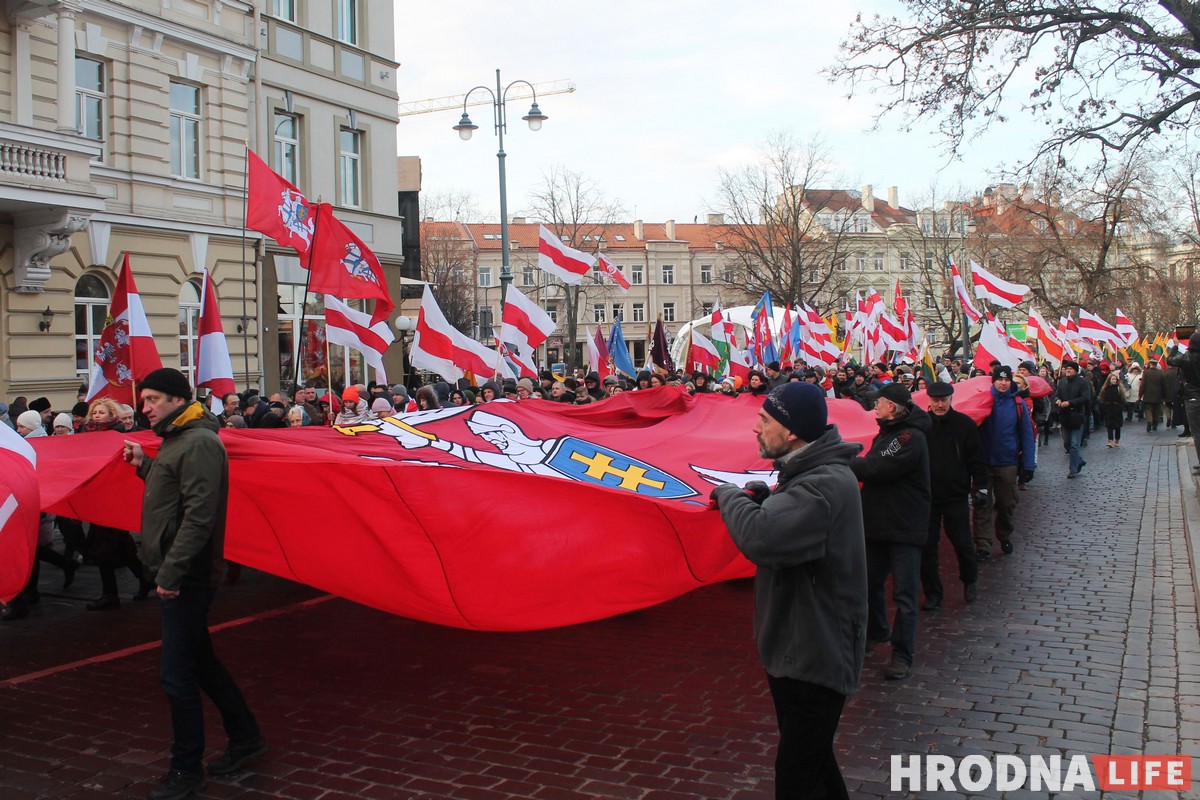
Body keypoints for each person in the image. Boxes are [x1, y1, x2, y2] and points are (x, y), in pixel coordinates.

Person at [710, 382, 866, 799]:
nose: (755, 429)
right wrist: (764, 496)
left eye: (765, 420)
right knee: (815, 765)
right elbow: (787, 519)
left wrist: (730, 497)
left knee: (797, 777)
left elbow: (764, 539)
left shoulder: (822, 484)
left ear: (793, 431)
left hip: (815, 655)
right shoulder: (808, 474)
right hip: (802, 647)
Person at [123, 368, 266, 800]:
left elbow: (199, 516)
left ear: (176, 399)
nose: (143, 408)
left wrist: (171, 573)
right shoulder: (177, 438)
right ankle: (245, 738)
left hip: (188, 576)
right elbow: (175, 495)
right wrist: (145, 466)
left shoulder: (199, 441)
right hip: (180, 572)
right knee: (201, 663)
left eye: (151, 399)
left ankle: (186, 769)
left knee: (176, 676)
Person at [851, 383, 931, 681]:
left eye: (879, 403)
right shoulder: (890, 432)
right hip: (879, 526)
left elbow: (875, 468)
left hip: (903, 529)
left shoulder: (909, 437)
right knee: (869, 584)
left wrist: (845, 459)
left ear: (893, 408)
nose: (875, 407)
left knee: (905, 595)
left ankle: (902, 654)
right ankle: (878, 631)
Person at [920, 382, 987, 609]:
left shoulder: (964, 425)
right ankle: (933, 593)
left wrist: (982, 487)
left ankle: (969, 580)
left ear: (951, 399)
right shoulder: (921, 426)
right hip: (926, 497)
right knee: (927, 547)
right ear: (928, 400)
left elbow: (976, 459)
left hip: (955, 496)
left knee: (962, 543)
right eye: (935, 400)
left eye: (944, 400)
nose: (939, 404)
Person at [975, 365, 1037, 560]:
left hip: (1007, 462)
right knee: (982, 504)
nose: (1003, 383)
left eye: (1006, 380)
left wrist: (1028, 465)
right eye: (999, 380)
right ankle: (983, 544)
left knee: (1006, 503)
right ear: (993, 381)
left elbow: (1027, 435)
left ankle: (1004, 534)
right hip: (983, 463)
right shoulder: (984, 401)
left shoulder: (1017, 404)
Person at [1055, 360, 1092, 480]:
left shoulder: (1083, 382)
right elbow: (1056, 395)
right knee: (1067, 443)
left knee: (1075, 445)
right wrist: (1058, 400)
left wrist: (1070, 402)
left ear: (1075, 370)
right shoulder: (1062, 382)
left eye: (1070, 368)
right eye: (1066, 368)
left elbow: (1085, 397)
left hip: (1077, 416)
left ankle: (1073, 470)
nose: (1067, 370)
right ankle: (1079, 460)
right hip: (1065, 417)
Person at [1099, 371, 1127, 447]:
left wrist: (1121, 406)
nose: (1114, 381)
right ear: (1109, 380)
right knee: (1109, 425)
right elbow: (1102, 398)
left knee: (1117, 426)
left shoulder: (1119, 388)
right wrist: (1104, 406)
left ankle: (1117, 440)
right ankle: (1110, 440)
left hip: (1117, 408)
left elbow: (1123, 398)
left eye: (1115, 379)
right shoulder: (1105, 389)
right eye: (1112, 379)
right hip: (1108, 408)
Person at [1139, 360, 1168, 432]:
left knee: (1148, 410)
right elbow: (1164, 386)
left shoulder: (1146, 373)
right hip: (1158, 395)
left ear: (1150, 364)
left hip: (1148, 395)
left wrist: (1140, 394)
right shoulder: (1161, 373)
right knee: (1156, 411)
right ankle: (1155, 424)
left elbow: (1142, 385)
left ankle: (1149, 421)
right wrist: (1164, 396)